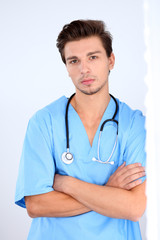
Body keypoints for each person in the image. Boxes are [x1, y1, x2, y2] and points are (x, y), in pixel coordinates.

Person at [15, 20, 146, 240]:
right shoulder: (44, 122)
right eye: (74, 61)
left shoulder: (134, 124)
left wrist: (66, 183)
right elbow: (36, 205)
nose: (84, 69)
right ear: (66, 67)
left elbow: (133, 207)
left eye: (93, 57)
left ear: (110, 60)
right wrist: (109, 190)